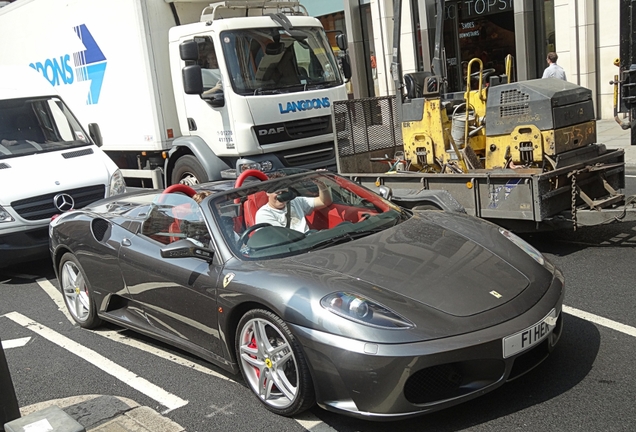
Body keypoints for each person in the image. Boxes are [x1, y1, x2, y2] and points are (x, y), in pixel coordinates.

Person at [254, 180, 332, 233]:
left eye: (284, 192)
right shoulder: (264, 214)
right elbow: (283, 237)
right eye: (277, 192)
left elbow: (324, 202)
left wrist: (321, 185)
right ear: (268, 193)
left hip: (310, 242)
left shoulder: (296, 201)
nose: (281, 196)